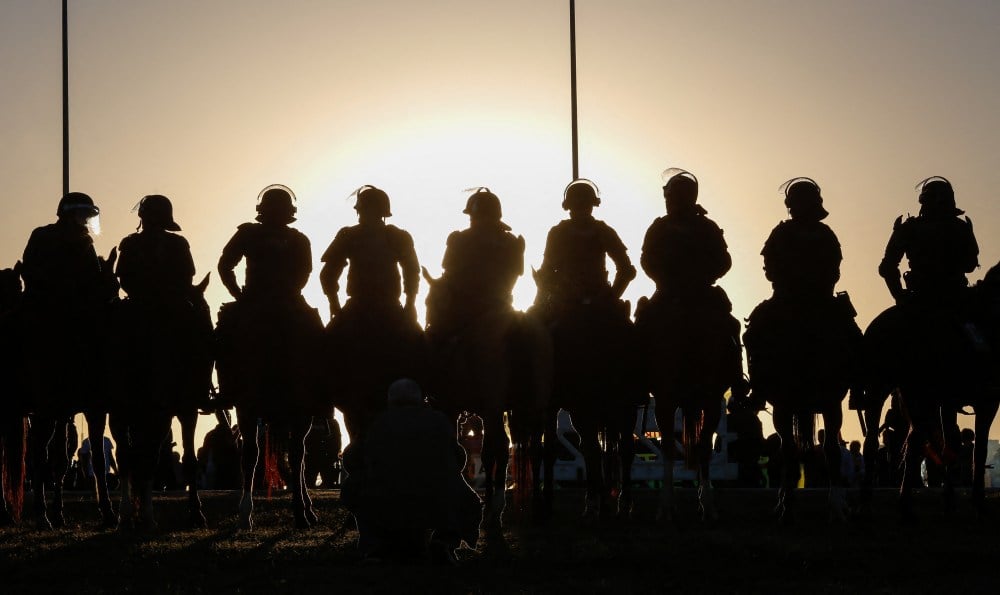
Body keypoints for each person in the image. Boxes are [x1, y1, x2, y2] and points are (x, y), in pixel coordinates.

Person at [319, 185, 425, 439]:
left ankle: (320, 394)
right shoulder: (370, 236)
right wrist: (410, 304)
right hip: (379, 307)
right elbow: (412, 271)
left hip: (369, 307)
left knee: (323, 350)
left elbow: (328, 274)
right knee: (421, 348)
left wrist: (334, 303)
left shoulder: (358, 235)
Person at [341, 378, 481, 565]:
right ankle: (444, 541)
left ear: (390, 400)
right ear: (420, 399)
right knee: (468, 498)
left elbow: (351, 460)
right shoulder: (439, 421)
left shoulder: (376, 423)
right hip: (434, 502)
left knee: (352, 486)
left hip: (386, 501)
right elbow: (459, 459)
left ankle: (374, 546)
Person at [637, 168, 746, 396]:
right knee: (643, 321)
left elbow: (724, 261)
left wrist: (703, 278)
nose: (671, 202)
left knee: (731, 326)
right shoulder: (660, 227)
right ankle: (636, 380)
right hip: (668, 292)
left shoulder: (707, 227)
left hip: (701, 293)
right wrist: (665, 279)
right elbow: (647, 260)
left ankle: (737, 379)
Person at [879, 176, 979, 308]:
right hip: (953, 297)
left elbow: (887, 267)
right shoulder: (961, 226)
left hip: (925, 299)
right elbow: (970, 265)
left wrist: (900, 296)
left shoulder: (910, 228)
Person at [435, 187, 524, 328]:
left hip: (463, 313)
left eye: (471, 216)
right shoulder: (513, 242)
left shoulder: (459, 239)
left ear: (475, 215)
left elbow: (448, 276)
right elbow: (515, 275)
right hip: (502, 310)